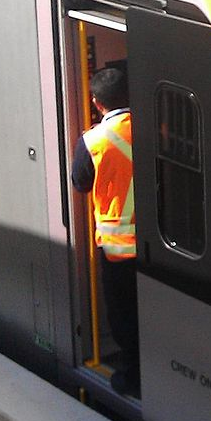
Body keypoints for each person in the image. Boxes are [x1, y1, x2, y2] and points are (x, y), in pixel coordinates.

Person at [71, 65, 139, 398]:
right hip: (162, 246)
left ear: (97, 103)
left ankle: (132, 378)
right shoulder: (158, 126)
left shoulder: (92, 141)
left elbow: (80, 183)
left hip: (117, 249)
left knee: (124, 316)